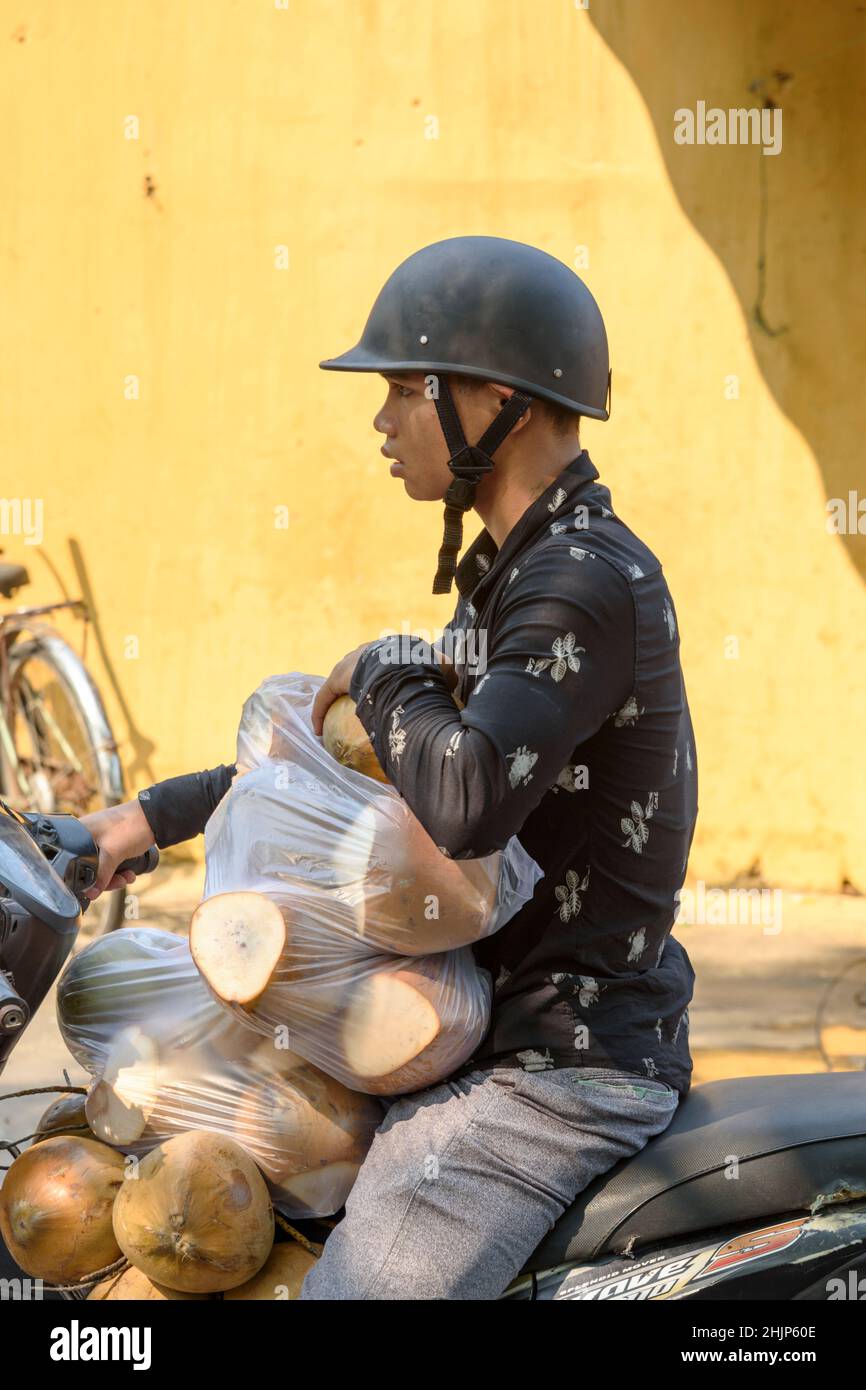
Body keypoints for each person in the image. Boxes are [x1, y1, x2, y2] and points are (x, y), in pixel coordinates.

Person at [84, 236, 698, 1300]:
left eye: (403, 389)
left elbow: (461, 797)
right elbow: (352, 786)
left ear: (492, 400)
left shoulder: (577, 582)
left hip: (551, 1067)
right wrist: (135, 824)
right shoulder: (520, 570)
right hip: (473, 1027)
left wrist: (386, 666)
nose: (379, 420)